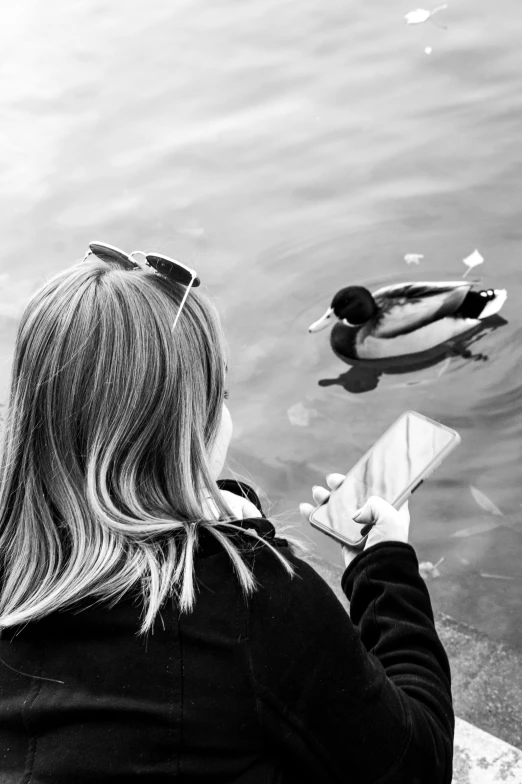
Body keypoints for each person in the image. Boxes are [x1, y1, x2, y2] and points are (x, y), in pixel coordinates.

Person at [0, 244, 453, 783]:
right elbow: (417, 764)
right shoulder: (254, 606)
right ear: (193, 429)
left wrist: (214, 518)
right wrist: (385, 567)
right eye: (223, 396)